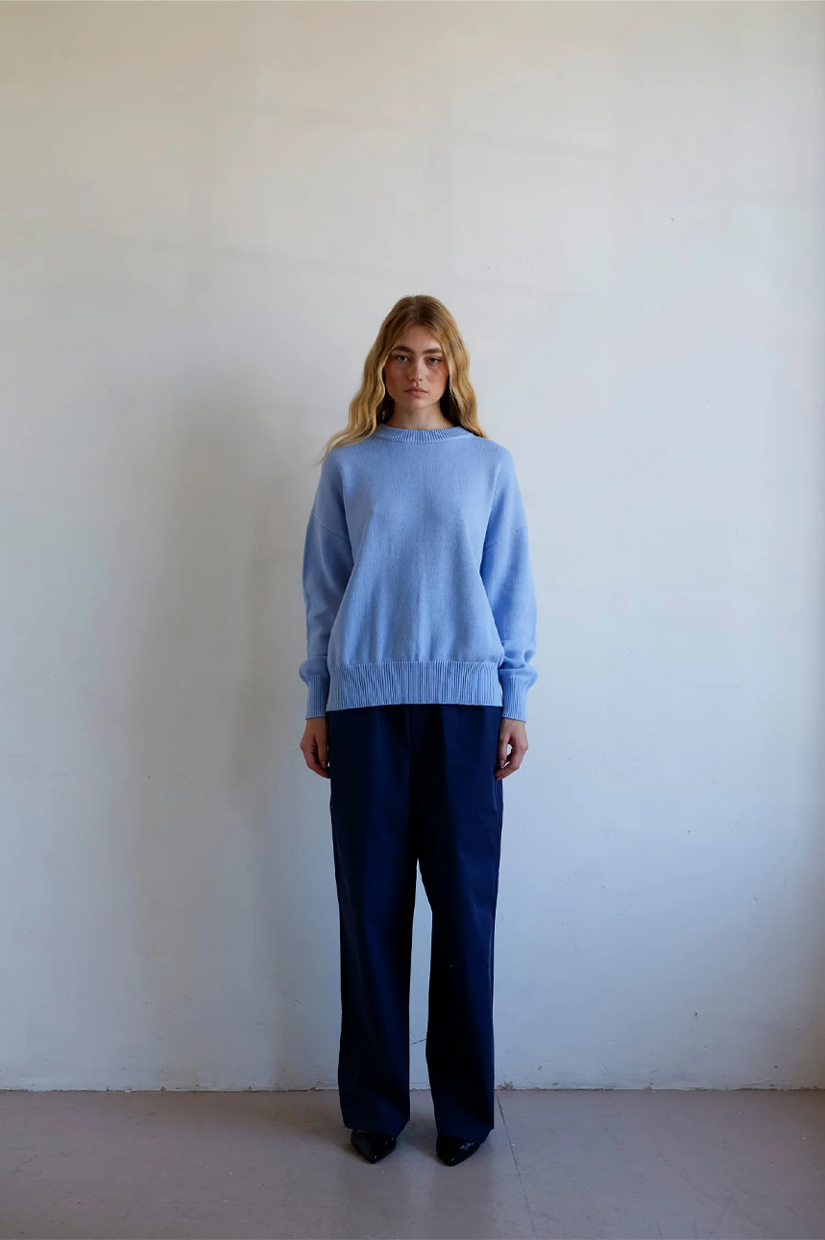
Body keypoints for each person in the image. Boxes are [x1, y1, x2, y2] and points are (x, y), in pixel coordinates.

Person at [298, 295, 538, 1168]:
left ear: (452, 366)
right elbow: (325, 592)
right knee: (369, 910)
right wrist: (318, 701)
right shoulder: (349, 467)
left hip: (466, 710)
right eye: (401, 355)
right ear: (381, 366)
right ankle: (374, 1108)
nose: (416, 371)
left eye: (432, 356)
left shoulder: (487, 465)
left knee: (464, 913)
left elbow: (508, 588)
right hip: (363, 709)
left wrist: (514, 701)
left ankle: (465, 1111)